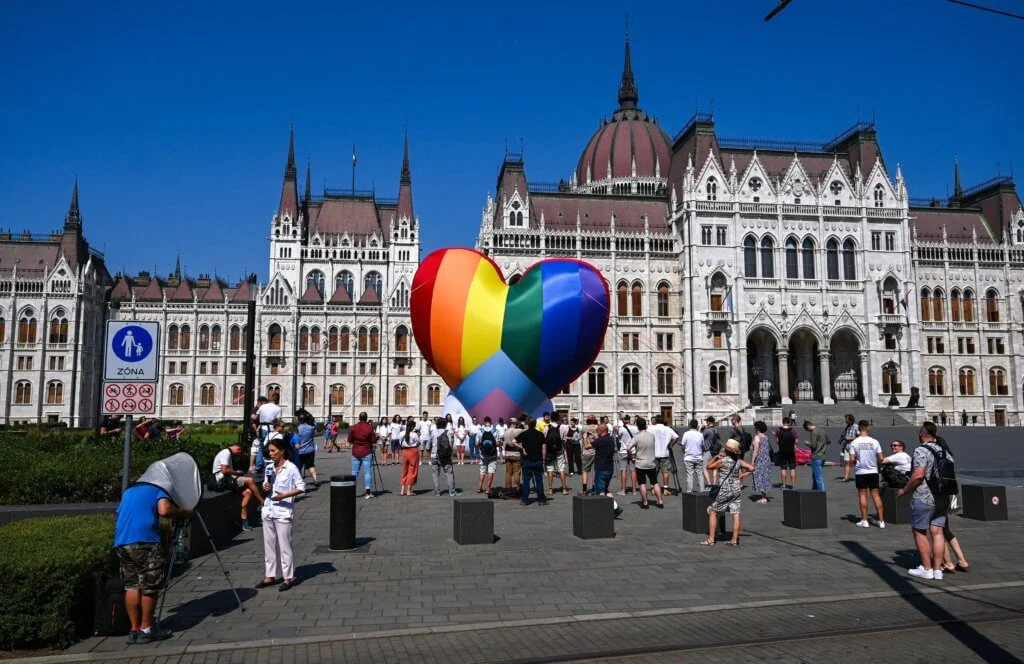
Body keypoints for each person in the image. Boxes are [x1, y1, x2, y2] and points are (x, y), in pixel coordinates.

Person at [115, 475, 193, 644]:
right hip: (145, 541)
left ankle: (134, 629)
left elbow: (121, 513)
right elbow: (164, 510)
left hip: (122, 541)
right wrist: (185, 512)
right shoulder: (159, 488)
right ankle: (147, 629)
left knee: (132, 585)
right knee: (150, 586)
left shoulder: (130, 490)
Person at [897, 422, 948, 579]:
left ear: (922, 434)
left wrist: (905, 489)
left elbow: (919, 475)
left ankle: (927, 569)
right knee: (938, 532)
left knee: (919, 531)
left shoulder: (921, 450)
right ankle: (938, 570)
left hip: (924, 496)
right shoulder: (944, 450)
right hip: (942, 497)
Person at [256, 437, 305, 592]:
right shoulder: (269, 467)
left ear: (282, 451)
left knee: (285, 546)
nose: (270, 454)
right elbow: (266, 485)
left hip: (283, 511)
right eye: (269, 451)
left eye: (273, 451)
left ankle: (287, 578)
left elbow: (301, 487)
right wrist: (265, 486)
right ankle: (269, 575)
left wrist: (284, 495)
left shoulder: (291, 468)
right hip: (269, 509)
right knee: (269, 544)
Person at [702, 439, 754, 546]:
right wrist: (743, 475)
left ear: (727, 450)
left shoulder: (723, 461)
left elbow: (709, 466)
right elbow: (752, 468)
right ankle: (734, 540)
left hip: (725, 489)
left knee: (713, 511)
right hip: (736, 488)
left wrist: (716, 457)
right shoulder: (739, 461)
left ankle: (711, 539)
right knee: (735, 513)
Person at [211, 443, 264, 530]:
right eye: (239, 452)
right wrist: (237, 473)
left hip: (228, 479)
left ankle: (244, 522)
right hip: (222, 480)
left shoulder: (228, 453)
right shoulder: (226, 453)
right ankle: (262, 502)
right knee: (250, 480)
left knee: (248, 493)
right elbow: (224, 470)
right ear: (237, 447)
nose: (238, 454)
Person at [850, 420, 886, 528]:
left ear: (859, 429)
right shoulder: (875, 442)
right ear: (868, 428)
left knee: (862, 495)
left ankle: (864, 520)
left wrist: (856, 460)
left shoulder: (854, 442)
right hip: (873, 471)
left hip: (861, 471)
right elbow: (881, 458)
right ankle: (881, 521)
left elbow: (852, 459)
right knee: (876, 495)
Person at [625, 416, 663, 509]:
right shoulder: (651, 436)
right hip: (651, 462)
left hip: (640, 463)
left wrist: (631, 457)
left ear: (638, 426)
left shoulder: (637, 437)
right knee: (655, 483)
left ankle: (645, 502)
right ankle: (660, 501)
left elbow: (628, 448)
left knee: (642, 483)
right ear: (645, 425)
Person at [511, 417, 547, 505]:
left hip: (527, 460)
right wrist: (543, 460)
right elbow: (544, 448)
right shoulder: (540, 434)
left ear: (527, 424)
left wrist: (522, 448)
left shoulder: (524, 434)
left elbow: (513, 441)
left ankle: (525, 499)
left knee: (526, 480)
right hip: (538, 460)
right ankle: (541, 500)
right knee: (539, 480)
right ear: (535, 424)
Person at [590, 423, 623, 517]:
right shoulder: (610, 440)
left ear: (601, 431)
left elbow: (587, 446)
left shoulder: (601, 440)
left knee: (600, 491)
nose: (597, 432)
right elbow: (599, 443)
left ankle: (602, 512)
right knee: (605, 489)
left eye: (597, 430)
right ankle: (616, 508)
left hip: (601, 468)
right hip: (609, 468)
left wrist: (585, 438)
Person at [428, 417, 461, 496]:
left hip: (434, 455)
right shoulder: (448, 432)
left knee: (435, 474)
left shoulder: (433, 432)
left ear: (437, 424)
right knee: (449, 473)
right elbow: (450, 445)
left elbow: (428, 446)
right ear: (445, 424)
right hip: (445, 456)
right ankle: (452, 491)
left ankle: (437, 492)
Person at [348, 412, 376, 499]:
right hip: (367, 451)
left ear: (359, 418)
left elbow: (350, 439)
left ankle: (351, 492)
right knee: (367, 472)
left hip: (356, 451)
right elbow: (373, 440)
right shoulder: (370, 428)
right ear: (366, 418)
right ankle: (368, 492)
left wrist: (357, 442)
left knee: (354, 472)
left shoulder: (354, 427)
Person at [650, 415, 680, 495]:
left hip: (654, 453)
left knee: (654, 472)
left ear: (656, 421)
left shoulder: (651, 428)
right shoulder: (667, 429)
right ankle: (665, 489)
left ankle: (653, 488)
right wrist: (671, 445)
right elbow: (676, 437)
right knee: (665, 471)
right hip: (664, 453)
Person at [253, 395, 283, 474]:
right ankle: (271, 464)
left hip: (262, 428)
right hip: (271, 429)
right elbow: (278, 421)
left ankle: (258, 466)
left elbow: (255, 417)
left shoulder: (262, 407)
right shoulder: (278, 408)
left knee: (261, 447)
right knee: (273, 447)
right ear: (277, 400)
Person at [293, 413, 319, 487]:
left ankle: (300, 482)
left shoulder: (297, 428)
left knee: (299, 467)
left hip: (300, 451)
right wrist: (311, 418)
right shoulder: (311, 427)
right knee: (311, 465)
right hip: (310, 450)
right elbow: (316, 425)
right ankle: (315, 479)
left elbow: (294, 439)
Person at [544, 417, 569, 496]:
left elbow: (545, 439)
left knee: (550, 469)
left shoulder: (546, 427)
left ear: (551, 419)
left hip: (550, 452)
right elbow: (564, 439)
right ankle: (564, 489)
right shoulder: (562, 428)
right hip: (559, 451)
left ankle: (550, 489)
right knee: (561, 469)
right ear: (558, 419)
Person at [801, 421, 828, 491]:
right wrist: (821, 445)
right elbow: (828, 441)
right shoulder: (822, 431)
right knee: (815, 476)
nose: (808, 431)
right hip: (823, 456)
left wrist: (807, 444)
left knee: (818, 477)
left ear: (808, 427)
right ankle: (814, 491)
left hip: (816, 456)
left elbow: (814, 446)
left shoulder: (813, 432)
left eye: (807, 430)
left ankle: (821, 495)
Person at [680, 419, 705, 493]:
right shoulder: (700, 434)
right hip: (699, 457)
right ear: (697, 426)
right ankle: (702, 491)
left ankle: (689, 491)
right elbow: (702, 446)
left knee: (689, 475)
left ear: (690, 425)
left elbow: (683, 446)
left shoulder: (686, 434)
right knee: (700, 474)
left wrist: (684, 451)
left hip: (688, 457)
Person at [751, 420, 773, 503]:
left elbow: (756, 449)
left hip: (760, 460)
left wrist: (753, 460)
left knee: (759, 476)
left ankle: (763, 498)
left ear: (757, 428)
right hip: (766, 459)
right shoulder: (765, 437)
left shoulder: (757, 437)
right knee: (765, 476)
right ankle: (764, 496)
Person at [477, 417, 499, 494]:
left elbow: (477, 443)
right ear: (490, 422)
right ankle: (487, 489)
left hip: (483, 455)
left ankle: (479, 488)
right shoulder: (495, 431)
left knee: (482, 471)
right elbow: (497, 443)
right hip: (492, 455)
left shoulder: (480, 431)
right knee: (491, 471)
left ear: (484, 422)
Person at [502, 417, 523, 497]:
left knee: (508, 473)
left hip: (507, 454)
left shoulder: (505, 432)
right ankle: (516, 488)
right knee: (517, 473)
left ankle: (508, 489)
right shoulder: (518, 431)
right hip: (516, 453)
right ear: (515, 423)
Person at [616, 415, 638, 495]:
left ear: (624, 420)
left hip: (623, 450)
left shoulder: (621, 428)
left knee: (623, 470)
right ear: (629, 419)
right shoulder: (635, 428)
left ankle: (623, 490)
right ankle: (634, 490)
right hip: (633, 450)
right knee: (633, 470)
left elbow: (618, 438)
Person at [775, 417, 798, 489]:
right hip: (791, 452)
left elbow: (777, 441)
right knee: (792, 469)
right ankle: (793, 486)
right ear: (789, 423)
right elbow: (797, 441)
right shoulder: (793, 430)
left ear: (782, 422)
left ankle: (784, 485)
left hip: (782, 451)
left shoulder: (778, 430)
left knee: (783, 469)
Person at [399, 419, 420, 496]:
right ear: (412, 427)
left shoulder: (401, 433)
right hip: (413, 451)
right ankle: (409, 491)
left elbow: (400, 443)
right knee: (412, 470)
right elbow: (418, 442)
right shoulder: (414, 434)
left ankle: (402, 490)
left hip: (405, 451)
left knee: (404, 470)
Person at [580, 415, 599, 495]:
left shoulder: (584, 427)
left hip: (586, 451)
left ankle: (584, 489)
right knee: (595, 470)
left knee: (585, 470)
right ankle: (594, 487)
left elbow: (581, 437)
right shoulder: (598, 427)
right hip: (596, 451)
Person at [701, 416, 721, 485]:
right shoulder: (716, 430)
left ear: (709, 422)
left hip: (708, 451)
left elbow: (700, 437)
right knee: (714, 467)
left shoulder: (707, 431)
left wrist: (700, 429)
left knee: (704, 468)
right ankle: (715, 483)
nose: (706, 423)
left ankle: (709, 484)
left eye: (707, 421)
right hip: (716, 451)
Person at [839, 413, 858, 483]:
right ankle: (846, 478)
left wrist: (850, 438)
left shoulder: (856, 427)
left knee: (856, 462)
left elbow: (860, 437)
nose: (845, 421)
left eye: (846, 420)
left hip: (854, 447)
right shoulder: (847, 427)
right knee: (847, 462)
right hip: (847, 446)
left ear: (850, 420)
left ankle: (859, 477)